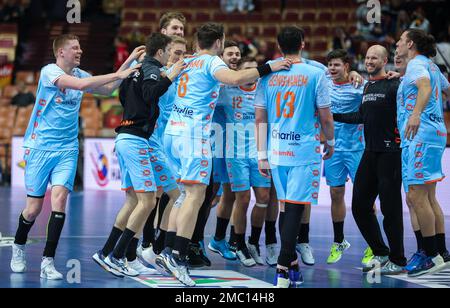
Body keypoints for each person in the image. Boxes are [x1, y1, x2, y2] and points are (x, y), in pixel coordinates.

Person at [156, 22, 291, 287]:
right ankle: (177, 257)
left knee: (183, 195)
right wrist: (269, 67)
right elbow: (236, 78)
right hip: (193, 135)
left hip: (173, 132)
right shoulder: (209, 62)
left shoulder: (188, 60)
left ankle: (166, 251)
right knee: (195, 196)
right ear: (219, 42)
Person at [9, 34, 141, 279]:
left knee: (59, 200)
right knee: (33, 209)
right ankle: (19, 246)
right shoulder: (49, 71)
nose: (80, 51)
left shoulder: (83, 74)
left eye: (80, 47)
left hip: (67, 148)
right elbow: (80, 87)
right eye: (75, 48)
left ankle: (48, 262)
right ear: (61, 52)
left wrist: (129, 63)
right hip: (39, 148)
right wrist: (120, 74)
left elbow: (110, 88)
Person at [92, 33, 185, 277]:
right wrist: (171, 76)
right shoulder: (152, 69)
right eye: (170, 51)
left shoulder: (135, 69)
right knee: (147, 202)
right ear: (162, 50)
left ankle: (106, 252)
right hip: (136, 139)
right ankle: (119, 255)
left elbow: (123, 96)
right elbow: (150, 93)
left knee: (139, 199)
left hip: (129, 136)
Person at [255, 26, 335, 288]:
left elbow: (260, 118)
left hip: (277, 151)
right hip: (303, 151)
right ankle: (282, 267)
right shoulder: (316, 73)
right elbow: (325, 116)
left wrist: (261, 155)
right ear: (303, 43)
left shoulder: (267, 73)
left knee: (285, 207)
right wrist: (331, 141)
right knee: (295, 209)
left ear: (279, 46)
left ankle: (291, 265)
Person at [333, 45, 407, 275]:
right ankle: (380, 252)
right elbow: (362, 116)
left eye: (374, 57)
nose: (369, 60)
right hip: (370, 152)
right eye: (366, 57)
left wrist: (402, 76)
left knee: (390, 209)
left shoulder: (396, 85)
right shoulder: (367, 86)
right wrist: (332, 115)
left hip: (390, 154)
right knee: (359, 206)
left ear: (385, 61)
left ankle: (398, 259)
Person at [396, 29, 450, 277]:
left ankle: (429, 255)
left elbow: (425, 87)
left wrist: (416, 114)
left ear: (410, 44)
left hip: (420, 135)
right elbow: (444, 88)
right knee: (426, 197)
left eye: (400, 41)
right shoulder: (430, 65)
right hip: (435, 133)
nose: (397, 45)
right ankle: (440, 252)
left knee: (417, 196)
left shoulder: (417, 64)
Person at [217, 57, 273, 267]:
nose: (252, 73)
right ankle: (238, 243)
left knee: (264, 198)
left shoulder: (264, 89)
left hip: (260, 152)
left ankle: (253, 242)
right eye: (247, 70)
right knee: (242, 198)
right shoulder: (227, 91)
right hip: (236, 153)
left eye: (254, 69)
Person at [324, 49, 365, 264]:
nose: (332, 68)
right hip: (333, 149)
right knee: (335, 193)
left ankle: (372, 246)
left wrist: (357, 73)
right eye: (330, 64)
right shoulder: (324, 82)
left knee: (365, 197)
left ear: (346, 67)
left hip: (357, 149)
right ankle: (339, 241)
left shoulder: (359, 86)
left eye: (337, 65)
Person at [208, 40, 241, 261]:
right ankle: (187, 239)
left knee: (228, 195)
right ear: (221, 56)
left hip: (235, 147)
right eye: (230, 53)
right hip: (216, 146)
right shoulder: (215, 80)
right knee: (207, 197)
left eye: (238, 54)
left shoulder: (241, 81)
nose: (235, 57)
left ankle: (218, 240)